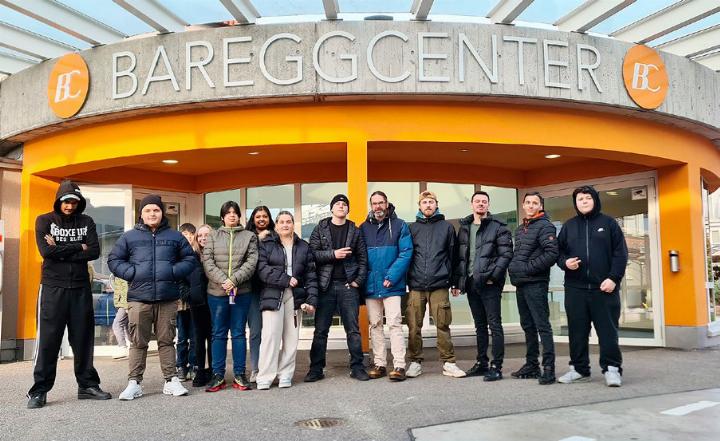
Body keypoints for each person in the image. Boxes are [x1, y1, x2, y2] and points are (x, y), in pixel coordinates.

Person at [27, 180, 111, 409]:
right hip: (53, 287)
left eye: (74, 201)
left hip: (81, 288)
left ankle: (87, 386)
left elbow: (94, 251)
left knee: (83, 338)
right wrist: (78, 247)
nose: (70, 206)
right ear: (58, 200)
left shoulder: (87, 221)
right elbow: (46, 252)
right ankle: (39, 391)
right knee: (48, 341)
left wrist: (61, 250)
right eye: (66, 201)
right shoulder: (44, 221)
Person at [109, 194, 196, 400]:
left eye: (156, 210)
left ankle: (171, 380)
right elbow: (114, 259)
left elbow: (189, 259)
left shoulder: (175, 237)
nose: (152, 213)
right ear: (141, 214)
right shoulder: (129, 237)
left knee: (167, 340)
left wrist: (173, 272)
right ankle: (134, 383)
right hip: (139, 297)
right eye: (148, 210)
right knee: (139, 342)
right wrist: (132, 273)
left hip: (167, 298)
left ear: (161, 212)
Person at [556, 185, 628, 387]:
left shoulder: (609, 223)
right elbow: (558, 253)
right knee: (577, 332)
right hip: (575, 289)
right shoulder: (569, 226)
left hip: (604, 289)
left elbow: (620, 254)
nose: (584, 201)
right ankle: (579, 369)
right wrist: (565, 263)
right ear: (575, 203)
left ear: (595, 200)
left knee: (608, 333)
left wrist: (613, 278)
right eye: (580, 199)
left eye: (588, 198)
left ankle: (612, 369)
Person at [305, 194, 368, 382]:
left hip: (348, 286)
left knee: (353, 330)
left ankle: (357, 367)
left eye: (344, 204)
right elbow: (312, 254)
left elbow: (363, 259)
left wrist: (357, 281)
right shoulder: (320, 229)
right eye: (337, 204)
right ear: (331, 209)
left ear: (348, 209)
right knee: (321, 330)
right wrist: (333, 254)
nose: (341, 206)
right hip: (325, 286)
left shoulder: (355, 231)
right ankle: (316, 369)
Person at [406, 190, 466, 379]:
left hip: (440, 283)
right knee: (413, 325)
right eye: (425, 202)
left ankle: (449, 362)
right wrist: (407, 281)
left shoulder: (447, 228)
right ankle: (415, 362)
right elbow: (407, 256)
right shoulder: (412, 228)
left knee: (443, 324)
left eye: (431, 202)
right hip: (416, 284)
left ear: (436, 204)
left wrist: (455, 282)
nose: (428, 205)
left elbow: (454, 257)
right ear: (419, 206)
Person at [256, 211, 317, 389]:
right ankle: (265, 376)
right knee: (270, 337)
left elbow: (311, 276)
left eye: (288, 222)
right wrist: (285, 279)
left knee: (291, 338)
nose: (285, 225)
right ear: (275, 225)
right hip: (273, 295)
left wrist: (311, 300)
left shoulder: (304, 247)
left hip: (294, 297)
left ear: (293, 225)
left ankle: (285, 374)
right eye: (281, 222)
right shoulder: (266, 244)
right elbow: (262, 270)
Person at [456, 191, 513, 381]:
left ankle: (496, 367)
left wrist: (493, 277)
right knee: (479, 326)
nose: (480, 204)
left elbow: (506, 255)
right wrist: (459, 281)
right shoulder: (464, 227)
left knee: (494, 325)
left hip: (489, 284)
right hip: (471, 282)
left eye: (484, 201)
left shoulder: (498, 226)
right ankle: (482, 363)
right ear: (471, 204)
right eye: (477, 201)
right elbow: (460, 257)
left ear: (488, 205)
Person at [202, 201, 258, 392]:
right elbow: (207, 261)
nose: (232, 215)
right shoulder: (213, 236)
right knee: (218, 333)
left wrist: (234, 280)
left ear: (239, 216)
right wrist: (224, 281)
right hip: (217, 293)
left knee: (239, 333)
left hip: (242, 293)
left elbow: (252, 261)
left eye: (235, 212)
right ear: (222, 217)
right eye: (228, 212)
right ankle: (218, 375)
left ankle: (240, 374)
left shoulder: (249, 236)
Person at [360, 191, 413, 381]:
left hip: (392, 284)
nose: (378, 207)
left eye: (381, 203)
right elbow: (361, 257)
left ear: (387, 204)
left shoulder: (399, 225)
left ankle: (399, 365)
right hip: (371, 285)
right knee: (375, 325)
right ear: (371, 205)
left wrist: (391, 276)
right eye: (374, 203)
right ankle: (379, 363)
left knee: (394, 324)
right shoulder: (363, 228)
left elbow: (406, 252)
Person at [507, 192, 559, 385]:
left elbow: (552, 253)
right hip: (521, 283)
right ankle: (531, 365)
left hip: (536, 283)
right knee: (527, 326)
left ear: (540, 206)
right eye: (528, 202)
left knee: (542, 326)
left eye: (534, 203)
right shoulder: (520, 229)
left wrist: (528, 269)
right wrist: (515, 270)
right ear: (523, 205)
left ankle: (549, 368)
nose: (530, 205)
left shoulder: (546, 226)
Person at [245, 206, 275, 383]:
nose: (262, 219)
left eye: (265, 216)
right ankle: (256, 368)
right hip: (252, 290)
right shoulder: (247, 236)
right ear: (253, 219)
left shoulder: (276, 236)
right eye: (258, 216)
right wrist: (257, 239)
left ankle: (270, 368)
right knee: (255, 331)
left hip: (271, 288)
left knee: (271, 332)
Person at [188, 224, 213, 387]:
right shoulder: (191, 256)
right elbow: (183, 278)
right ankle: (199, 371)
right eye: (200, 235)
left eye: (207, 235)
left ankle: (212, 370)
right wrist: (187, 294)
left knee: (213, 337)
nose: (203, 238)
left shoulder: (217, 255)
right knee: (198, 338)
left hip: (214, 300)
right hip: (197, 302)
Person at [177, 223, 198, 381]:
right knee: (182, 337)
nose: (188, 237)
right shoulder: (175, 254)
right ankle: (181, 366)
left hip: (195, 301)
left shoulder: (198, 254)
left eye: (191, 234)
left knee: (195, 336)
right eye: (185, 234)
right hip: (180, 302)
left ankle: (193, 364)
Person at [111, 276, 130, 360]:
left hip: (125, 304)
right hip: (122, 303)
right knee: (125, 325)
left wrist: (125, 306)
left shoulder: (122, 271)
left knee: (117, 324)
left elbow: (125, 288)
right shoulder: (118, 271)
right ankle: (133, 346)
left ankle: (123, 347)